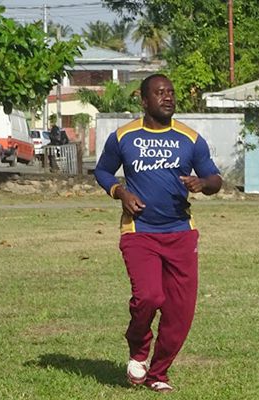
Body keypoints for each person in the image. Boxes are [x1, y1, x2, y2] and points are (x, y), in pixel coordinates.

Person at [93, 73, 223, 393]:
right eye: (160, 92)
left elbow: (215, 179)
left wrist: (203, 184)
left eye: (171, 92)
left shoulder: (190, 139)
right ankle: (138, 350)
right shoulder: (124, 136)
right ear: (144, 99)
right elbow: (102, 170)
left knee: (180, 312)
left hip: (181, 232)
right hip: (140, 232)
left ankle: (158, 373)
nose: (168, 97)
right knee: (149, 296)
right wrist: (120, 193)